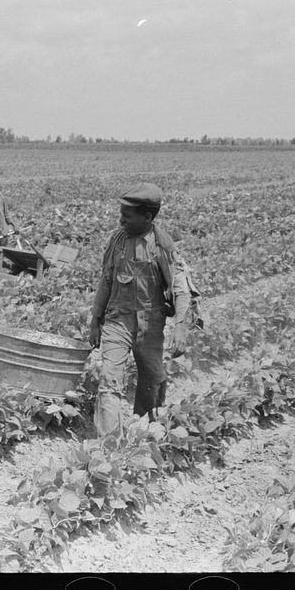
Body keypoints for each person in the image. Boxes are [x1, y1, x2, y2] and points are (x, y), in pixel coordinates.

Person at [87, 183, 202, 438]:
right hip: (117, 320)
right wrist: (96, 320)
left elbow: (181, 289)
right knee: (109, 380)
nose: (121, 220)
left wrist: (180, 327)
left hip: (150, 324)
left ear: (147, 217)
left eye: (127, 216)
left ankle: (145, 431)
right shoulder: (116, 240)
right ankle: (108, 445)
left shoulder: (162, 246)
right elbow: (106, 281)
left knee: (152, 379)